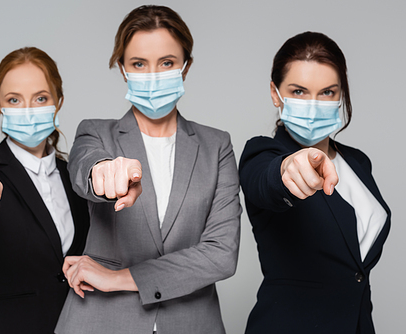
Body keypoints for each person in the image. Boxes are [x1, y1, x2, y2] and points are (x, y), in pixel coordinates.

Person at [54, 5, 241, 334]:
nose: (153, 75)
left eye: (166, 63)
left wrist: (118, 279)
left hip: (192, 322)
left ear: (185, 67)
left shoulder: (217, 146)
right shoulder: (95, 133)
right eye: (139, 64)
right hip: (100, 323)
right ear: (123, 70)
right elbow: (86, 171)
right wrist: (106, 174)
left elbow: (222, 254)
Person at [239, 32, 391, 334]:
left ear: (341, 95)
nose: (313, 104)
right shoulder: (263, 154)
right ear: (275, 92)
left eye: (327, 92)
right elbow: (266, 182)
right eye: (298, 91)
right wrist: (288, 168)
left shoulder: (358, 162)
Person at [0, 47, 89, 334]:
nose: (28, 110)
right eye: (14, 99)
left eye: (40, 98)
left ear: (58, 102)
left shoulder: (77, 177)